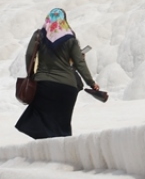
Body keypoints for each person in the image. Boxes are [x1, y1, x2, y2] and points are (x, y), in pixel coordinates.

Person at [16, 8, 100, 139]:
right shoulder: (70, 38)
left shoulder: (39, 35)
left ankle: (43, 152)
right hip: (67, 87)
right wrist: (91, 82)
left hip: (44, 84)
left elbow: (29, 55)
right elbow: (79, 63)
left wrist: (31, 75)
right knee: (61, 125)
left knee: (38, 120)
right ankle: (60, 153)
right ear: (64, 20)